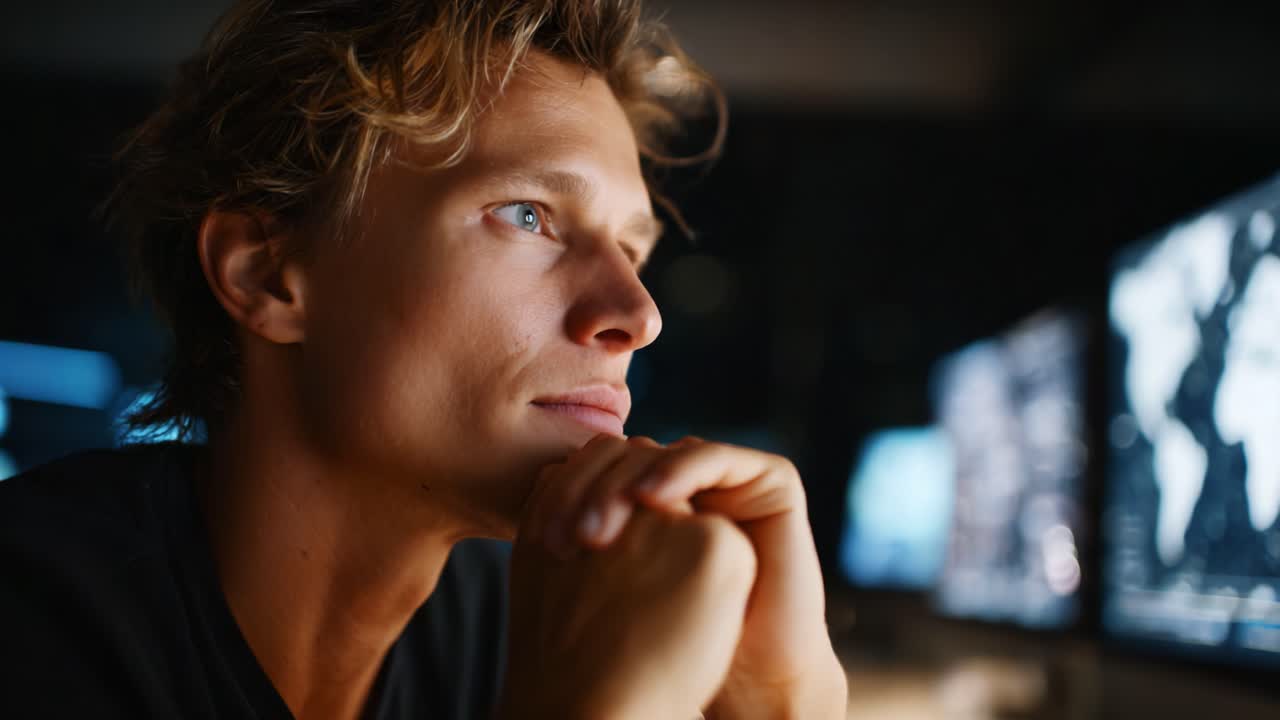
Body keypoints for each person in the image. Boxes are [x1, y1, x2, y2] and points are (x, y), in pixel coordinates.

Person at [0, 1, 847, 718]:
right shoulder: (35, 621)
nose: (639, 315)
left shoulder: (544, 609)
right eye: (528, 215)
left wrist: (776, 704)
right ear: (267, 273)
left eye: (632, 250)